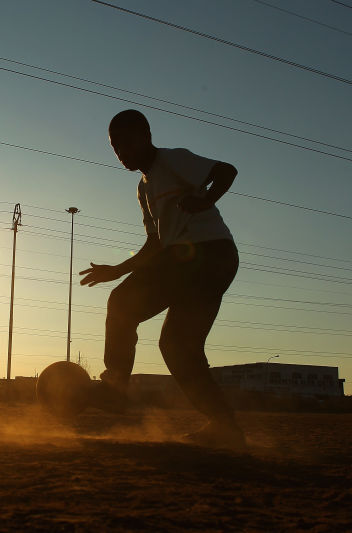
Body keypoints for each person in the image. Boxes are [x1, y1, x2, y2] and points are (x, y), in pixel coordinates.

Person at [79, 109, 244, 448]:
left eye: (126, 142)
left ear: (146, 136)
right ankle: (224, 426)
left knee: (123, 303)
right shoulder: (144, 189)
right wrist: (117, 269)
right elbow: (155, 244)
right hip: (197, 261)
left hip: (207, 254)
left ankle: (115, 388)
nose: (121, 151)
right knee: (177, 347)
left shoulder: (173, 161)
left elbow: (226, 171)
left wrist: (205, 199)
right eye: (114, 146)